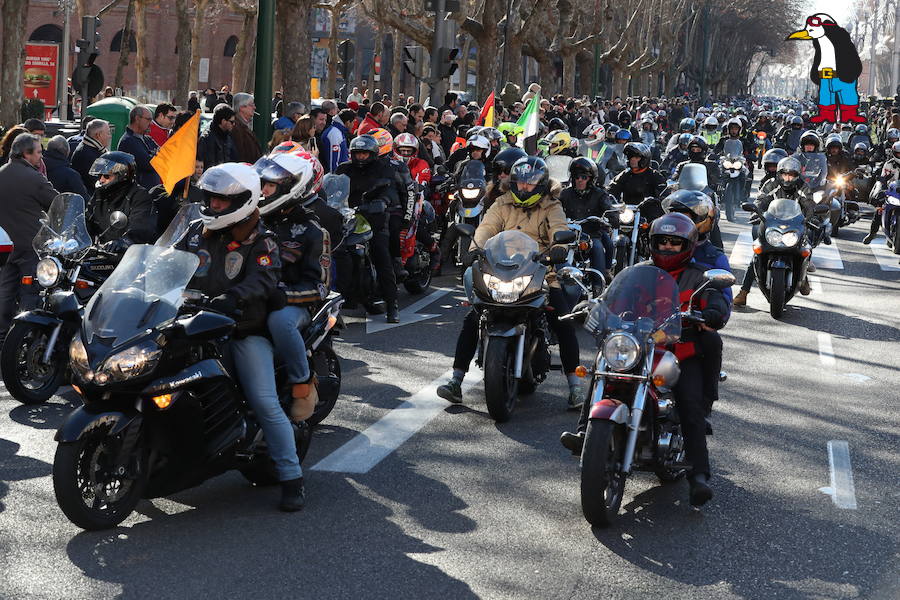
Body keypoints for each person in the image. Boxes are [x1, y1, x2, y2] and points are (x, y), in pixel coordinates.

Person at [560, 212, 727, 506]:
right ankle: (585, 432)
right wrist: (594, 306)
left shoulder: (699, 277)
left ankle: (698, 476)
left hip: (677, 352)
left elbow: (716, 303)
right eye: (661, 242)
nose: (667, 248)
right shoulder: (638, 272)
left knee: (689, 405)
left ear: (687, 245)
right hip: (636, 348)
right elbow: (611, 298)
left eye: (674, 243)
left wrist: (711, 312)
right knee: (602, 369)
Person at [175, 162, 305, 512]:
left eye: (222, 201)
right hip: (189, 325)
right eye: (211, 199)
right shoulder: (194, 230)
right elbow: (169, 263)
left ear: (244, 201)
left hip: (240, 330)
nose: (214, 206)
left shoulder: (260, 239)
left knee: (264, 400)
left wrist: (234, 297)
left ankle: (292, 477)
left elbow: (264, 278)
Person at [436, 156, 586, 410]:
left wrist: (558, 250)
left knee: (563, 319)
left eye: (530, 184)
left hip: (540, 270)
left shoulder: (551, 206)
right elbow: (485, 228)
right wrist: (474, 248)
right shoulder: (501, 203)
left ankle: (575, 387)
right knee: (473, 318)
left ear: (540, 185)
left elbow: (560, 231)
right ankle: (455, 381)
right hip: (500, 270)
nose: (524, 188)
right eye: (520, 183)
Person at [255, 149, 330, 425]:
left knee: (279, 323)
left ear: (289, 187)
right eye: (261, 183)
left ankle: (302, 385)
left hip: (292, 306)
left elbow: (319, 286)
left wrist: (281, 296)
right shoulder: (250, 221)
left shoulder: (311, 230)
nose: (262, 190)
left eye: (270, 184)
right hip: (252, 298)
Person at [661, 190, 731, 417]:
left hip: (692, 323)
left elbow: (723, 296)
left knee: (711, 340)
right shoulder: (664, 246)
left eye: (688, 217)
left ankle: (705, 404)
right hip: (655, 322)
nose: (681, 223)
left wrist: (712, 314)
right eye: (677, 216)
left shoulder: (713, 257)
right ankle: (586, 428)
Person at [333, 135, 406, 322]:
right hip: (347, 219)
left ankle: (392, 305)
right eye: (358, 154)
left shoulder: (383, 168)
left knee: (382, 256)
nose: (361, 157)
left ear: (373, 154)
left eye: (365, 154)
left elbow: (390, 191)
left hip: (373, 219)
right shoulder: (344, 168)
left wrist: (382, 202)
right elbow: (333, 188)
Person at [733, 156, 817, 306]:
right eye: (785, 174)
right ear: (779, 174)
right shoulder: (771, 184)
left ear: (797, 176)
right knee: (757, 253)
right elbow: (761, 199)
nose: (788, 178)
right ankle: (744, 292)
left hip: (794, 226)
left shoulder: (803, 187)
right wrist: (755, 212)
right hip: (771, 225)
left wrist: (811, 215)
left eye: (791, 175)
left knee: (807, 245)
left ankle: (803, 278)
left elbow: (809, 202)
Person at [0, 134, 57, 340]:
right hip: (29, 244)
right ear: (26, 153)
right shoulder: (34, 178)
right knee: (30, 292)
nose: (41, 157)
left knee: (5, 290)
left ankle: (3, 335)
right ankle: (24, 336)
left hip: (4, 244)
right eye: (39, 152)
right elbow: (57, 204)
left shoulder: (2, 172)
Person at [86, 151, 157, 251]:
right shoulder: (99, 194)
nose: (101, 180)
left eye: (107, 176)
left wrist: (125, 241)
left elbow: (141, 227)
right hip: (102, 252)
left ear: (122, 175)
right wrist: (75, 236)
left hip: (129, 256)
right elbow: (87, 220)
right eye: (100, 175)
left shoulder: (139, 196)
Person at [559, 157, 616, 276]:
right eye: (577, 177)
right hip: (570, 235)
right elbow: (555, 208)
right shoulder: (565, 193)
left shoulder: (599, 194)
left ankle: (598, 281)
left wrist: (612, 216)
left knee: (597, 247)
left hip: (592, 233)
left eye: (584, 177)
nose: (580, 180)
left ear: (590, 179)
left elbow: (609, 208)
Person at [117, 105, 162, 189]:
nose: (151, 123)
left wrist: (157, 156)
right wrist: (157, 155)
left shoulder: (147, 138)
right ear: (137, 119)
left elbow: (164, 154)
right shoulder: (128, 141)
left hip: (151, 192)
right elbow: (150, 164)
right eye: (148, 119)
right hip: (140, 195)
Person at [71, 119, 111, 193]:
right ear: (98, 135)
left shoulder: (92, 149)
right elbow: (100, 182)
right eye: (108, 133)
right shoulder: (88, 154)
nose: (110, 136)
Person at [197, 104, 238, 170]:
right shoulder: (207, 138)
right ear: (223, 121)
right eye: (232, 122)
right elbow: (207, 165)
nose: (234, 124)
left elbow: (234, 159)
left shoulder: (228, 137)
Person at [231, 93, 262, 163]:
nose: (254, 108)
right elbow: (240, 154)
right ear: (241, 107)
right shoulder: (235, 127)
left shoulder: (243, 126)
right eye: (251, 105)